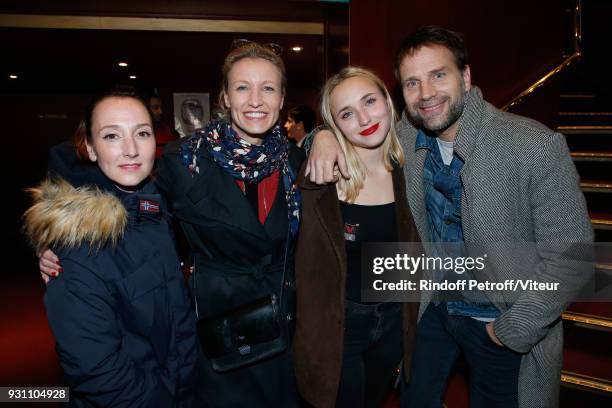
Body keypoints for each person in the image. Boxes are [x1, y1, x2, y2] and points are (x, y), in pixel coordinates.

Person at [306, 26, 593, 408]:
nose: (426, 94)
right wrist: (320, 136)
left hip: (499, 319)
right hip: (431, 312)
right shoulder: (405, 138)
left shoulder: (533, 146)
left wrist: (513, 327)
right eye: (412, 83)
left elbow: (573, 256)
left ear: (467, 77)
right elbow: (352, 125)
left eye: (438, 75)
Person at [40, 42, 304, 407]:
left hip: (283, 323)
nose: (255, 99)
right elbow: (99, 175)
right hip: (218, 330)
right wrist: (54, 232)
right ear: (225, 97)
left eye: (268, 88)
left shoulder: (297, 159)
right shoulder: (186, 159)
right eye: (242, 87)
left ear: (282, 97)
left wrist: (324, 136)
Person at [23, 87, 198, 407]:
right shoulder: (79, 243)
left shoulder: (152, 208)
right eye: (112, 136)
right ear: (89, 148)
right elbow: (99, 373)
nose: (131, 149)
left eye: (142, 133)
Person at [293, 67, 421, 408]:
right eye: (347, 114)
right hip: (340, 325)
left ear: (388, 101)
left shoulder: (414, 169)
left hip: (396, 320)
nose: (364, 118)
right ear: (336, 125)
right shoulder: (321, 175)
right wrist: (319, 135)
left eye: (370, 101)